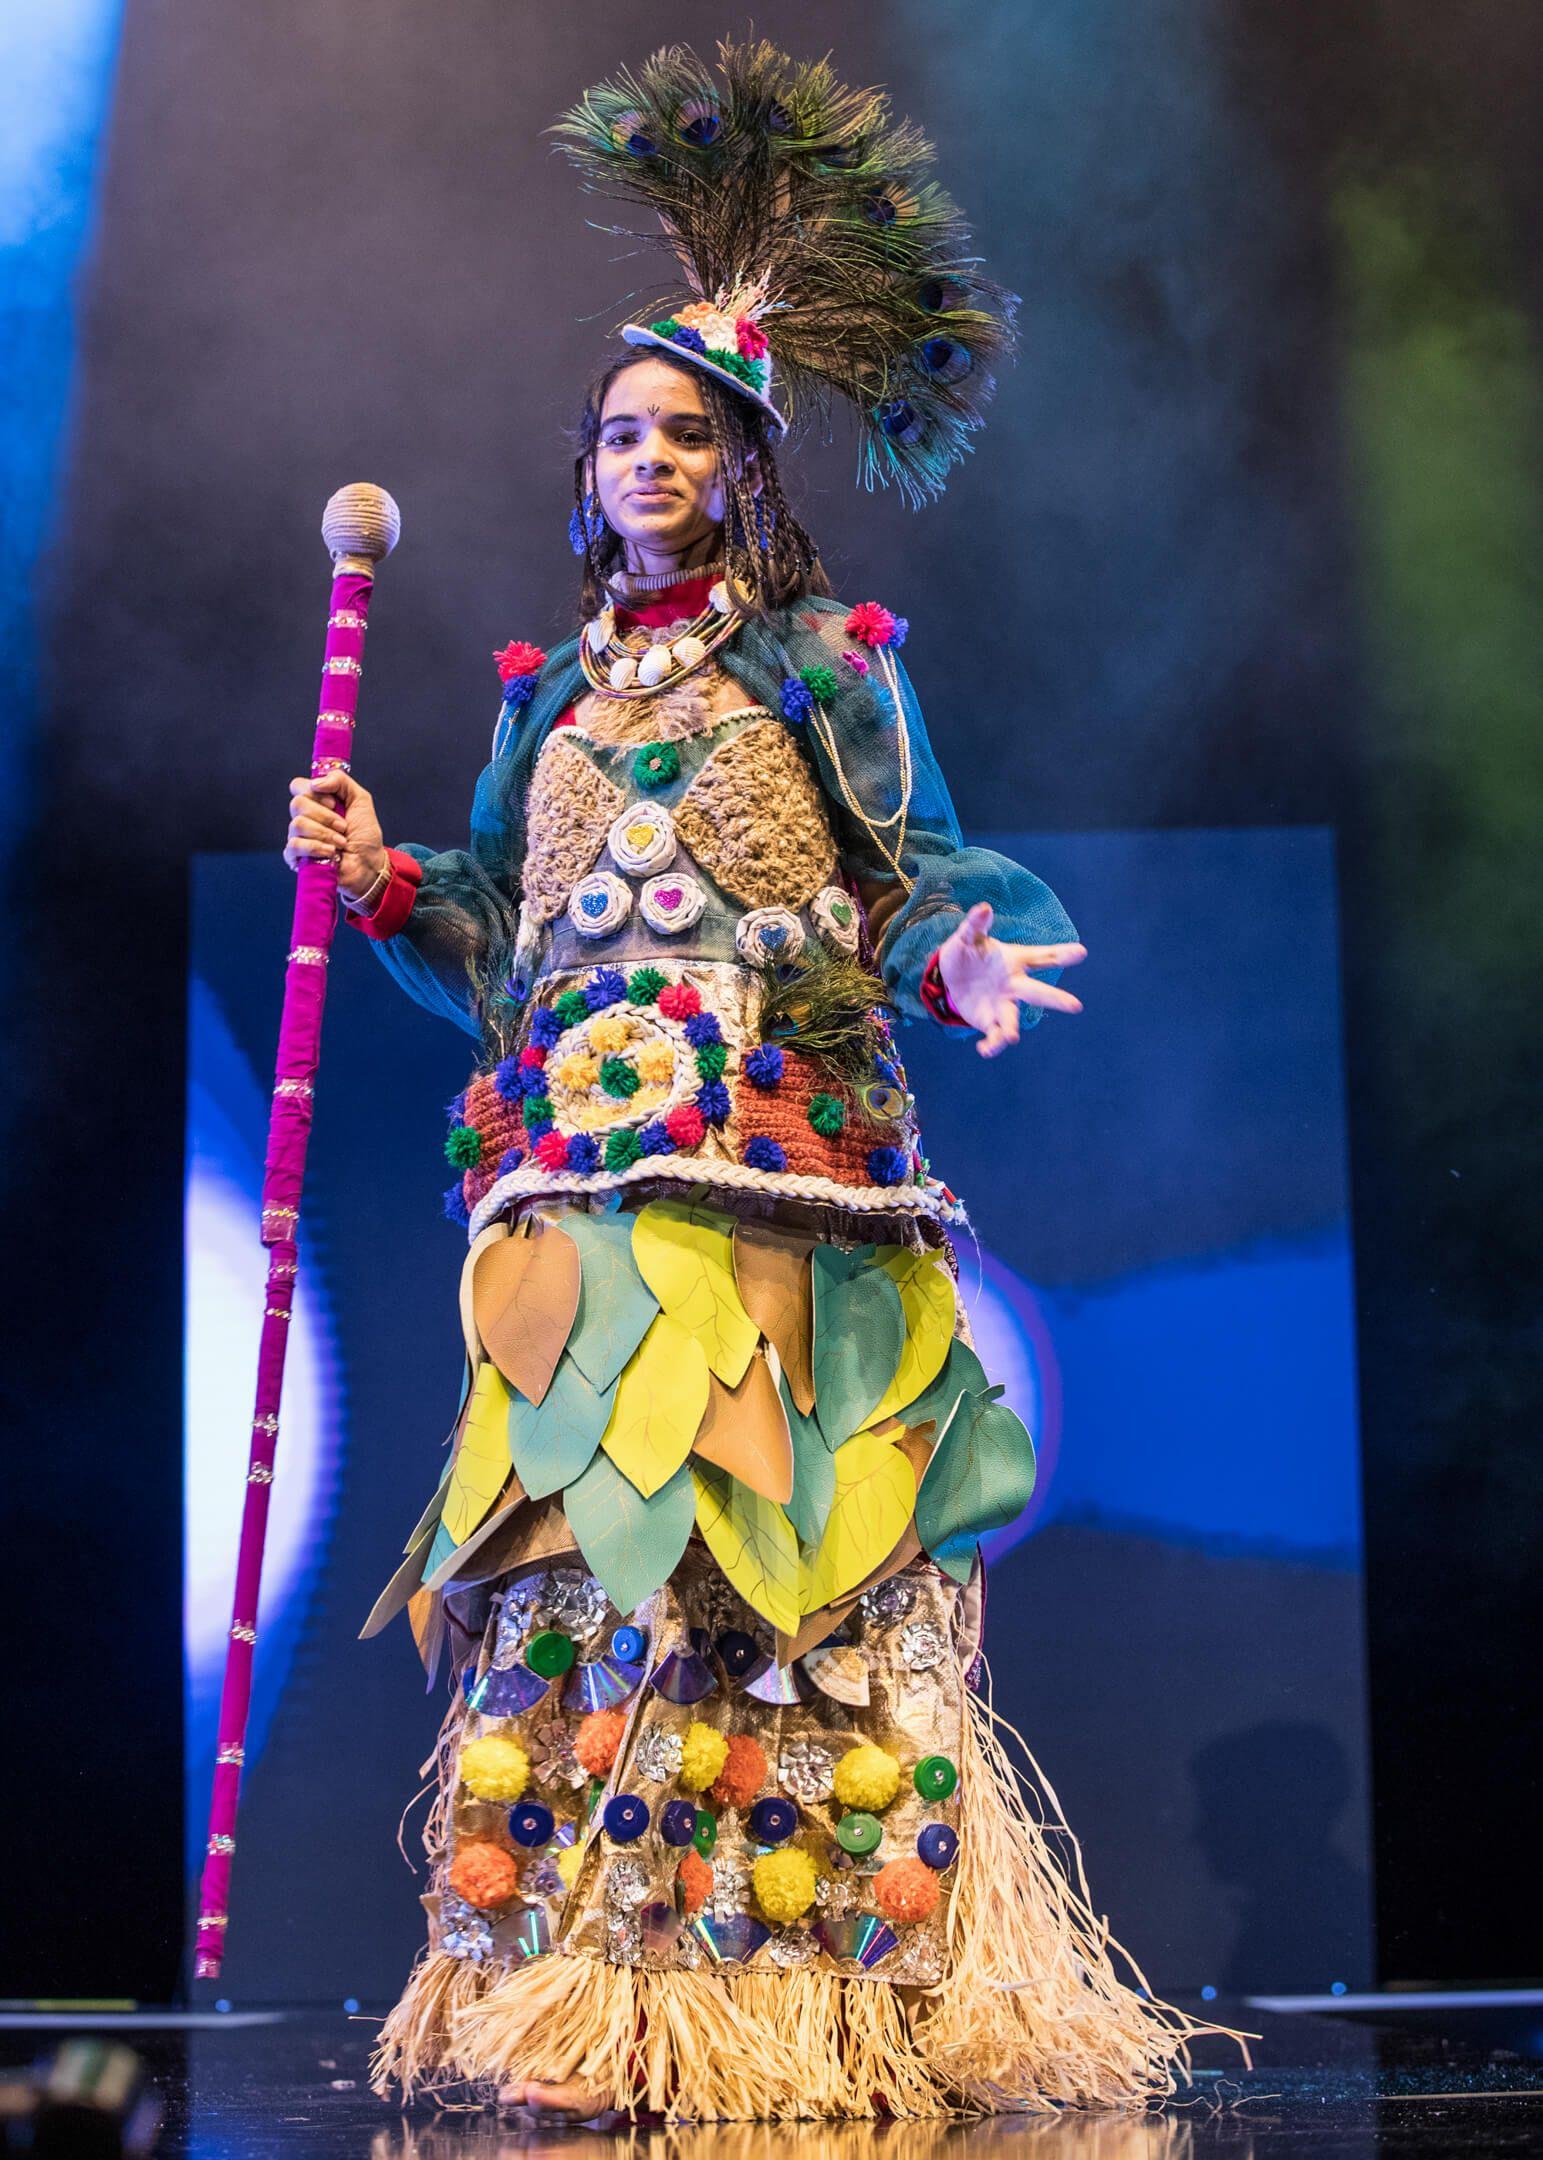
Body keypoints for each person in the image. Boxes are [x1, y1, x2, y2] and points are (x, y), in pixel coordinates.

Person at [282, 40, 1215, 2122]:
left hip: (780, 1194)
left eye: (683, 435)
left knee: (791, 1591)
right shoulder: (549, 702)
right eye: (618, 433)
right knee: (582, 1585)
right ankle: (594, 2000)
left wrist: (960, 942)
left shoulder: (818, 667)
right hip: (584, 1211)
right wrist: (379, 883)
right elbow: (515, 967)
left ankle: (835, 1997)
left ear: (746, 465)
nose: (644, 461)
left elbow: (912, 869)